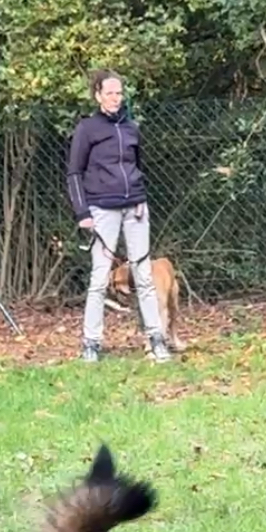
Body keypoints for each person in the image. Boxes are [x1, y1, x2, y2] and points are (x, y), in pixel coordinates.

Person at [66, 70, 170, 364]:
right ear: (98, 95)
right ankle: (91, 342)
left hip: (135, 209)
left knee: (144, 276)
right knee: (100, 277)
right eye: (109, 92)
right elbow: (74, 172)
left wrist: (140, 198)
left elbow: (137, 167)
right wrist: (82, 213)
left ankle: (156, 338)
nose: (115, 98)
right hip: (102, 210)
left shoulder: (131, 128)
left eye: (119, 93)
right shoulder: (87, 129)